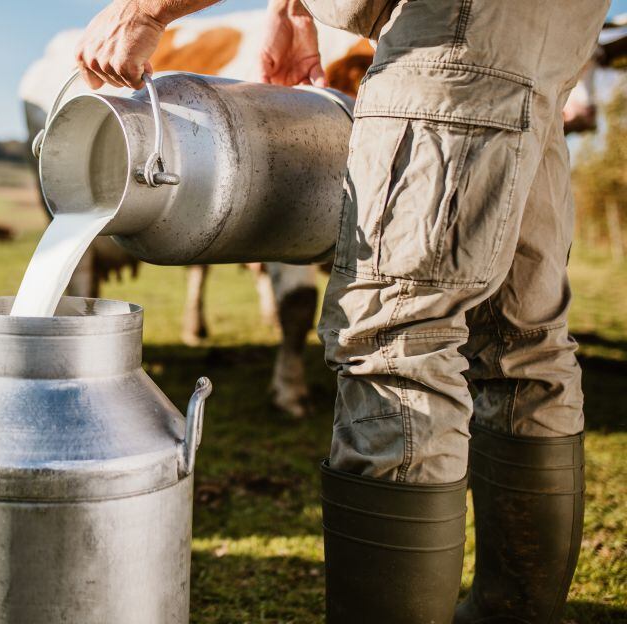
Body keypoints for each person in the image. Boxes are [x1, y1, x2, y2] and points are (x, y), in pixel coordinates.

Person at [74, 0, 610, 622]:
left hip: (448, 24)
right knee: (520, 338)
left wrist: (144, 9)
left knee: (397, 339)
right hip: (544, 28)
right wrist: (293, 6)